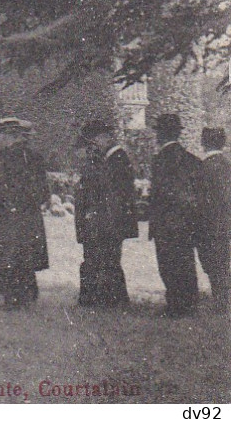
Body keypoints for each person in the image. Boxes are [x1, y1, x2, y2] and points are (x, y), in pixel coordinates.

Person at [0, 117, 51, 309]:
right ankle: (21, 296)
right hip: (20, 216)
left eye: (1, 136)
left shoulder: (0, 158)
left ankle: (2, 296)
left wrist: (10, 199)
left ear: (9, 136)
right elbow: (43, 191)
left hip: (10, 216)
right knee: (20, 256)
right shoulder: (29, 157)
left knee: (5, 256)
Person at [73, 118, 137, 308]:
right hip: (105, 219)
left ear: (104, 137)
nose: (94, 145)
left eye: (95, 140)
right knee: (105, 259)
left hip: (108, 220)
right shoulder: (108, 159)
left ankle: (110, 299)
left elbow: (113, 193)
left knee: (107, 259)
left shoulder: (116, 159)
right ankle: (107, 298)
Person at [148, 112, 202, 317]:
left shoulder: (160, 160)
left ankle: (176, 306)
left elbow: (161, 194)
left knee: (168, 265)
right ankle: (188, 304)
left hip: (165, 223)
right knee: (186, 262)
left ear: (160, 134)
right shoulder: (192, 160)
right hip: (186, 223)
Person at [194, 127, 230, 313]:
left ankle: (221, 301)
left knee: (211, 262)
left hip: (207, 224)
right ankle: (223, 299)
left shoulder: (204, 167)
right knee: (221, 261)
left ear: (204, 142)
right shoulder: (227, 165)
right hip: (224, 223)